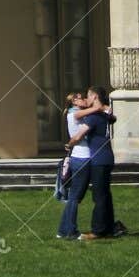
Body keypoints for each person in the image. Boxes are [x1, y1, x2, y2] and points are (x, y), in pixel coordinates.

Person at [67, 85, 122, 241]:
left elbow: (79, 136)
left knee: (99, 197)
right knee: (105, 195)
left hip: (98, 160)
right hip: (107, 158)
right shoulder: (104, 115)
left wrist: (69, 144)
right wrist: (105, 108)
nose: (87, 99)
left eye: (89, 96)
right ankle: (109, 228)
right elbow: (113, 117)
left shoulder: (93, 116)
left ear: (95, 97)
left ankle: (97, 231)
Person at [56, 90, 97, 240]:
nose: (84, 99)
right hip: (82, 157)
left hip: (79, 157)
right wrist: (97, 104)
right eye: (79, 98)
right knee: (74, 197)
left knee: (74, 197)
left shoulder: (78, 113)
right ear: (73, 102)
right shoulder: (74, 114)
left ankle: (62, 230)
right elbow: (95, 109)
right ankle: (71, 230)